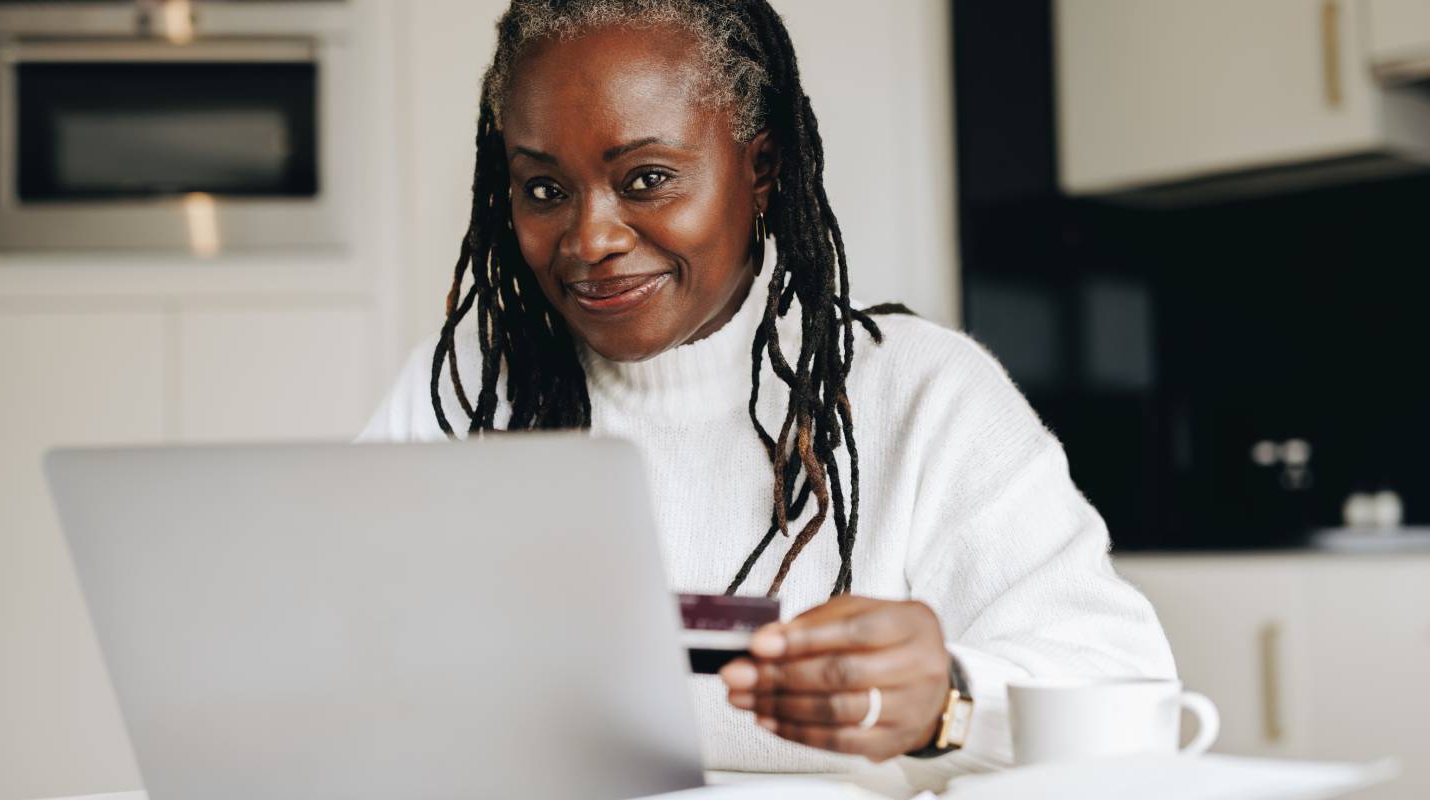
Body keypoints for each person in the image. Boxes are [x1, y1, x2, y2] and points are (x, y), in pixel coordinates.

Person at [360, 0, 1175, 789]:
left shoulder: (922, 395)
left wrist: (948, 703)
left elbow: (1134, 698)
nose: (590, 238)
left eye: (646, 178)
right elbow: (334, 658)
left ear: (761, 166)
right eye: (543, 190)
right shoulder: (466, 388)